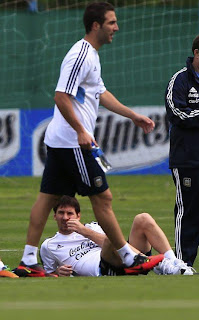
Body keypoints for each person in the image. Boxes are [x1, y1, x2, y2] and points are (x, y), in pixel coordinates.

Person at [15, 2, 156, 276]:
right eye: (112, 22)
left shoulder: (91, 55)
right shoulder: (81, 54)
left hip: (62, 140)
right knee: (103, 197)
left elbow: (100, 93)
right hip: (72, 142)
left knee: (47, 199)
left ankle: (29, 260)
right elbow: (60, 96)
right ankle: (128, 257)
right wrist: (81, 130)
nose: (117, 27)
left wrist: (132, 115)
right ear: (96, 25)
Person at [39, 196, 194, 277]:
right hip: (106, 269)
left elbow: (117, 243)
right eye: (61, 213)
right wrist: (58, 273)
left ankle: (173, 262)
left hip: (124, 258)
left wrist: (84, 231)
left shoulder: (91, 227)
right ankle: (158, 264)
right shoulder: (49, 245)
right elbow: (48, 274)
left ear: (78, 216)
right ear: (54, 216)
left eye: (69, 213)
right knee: (110, 239)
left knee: (143, 218)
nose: (65, 217)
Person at [165, 32, 199, 271]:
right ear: (197, 53)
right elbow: (177, 114)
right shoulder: (180, 80)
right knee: (189, 211)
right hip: (188, 160)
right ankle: (183, 264)